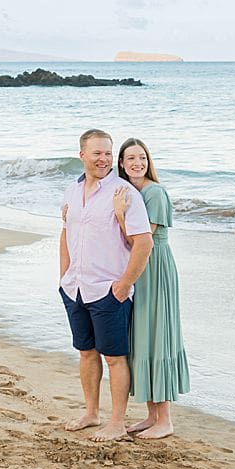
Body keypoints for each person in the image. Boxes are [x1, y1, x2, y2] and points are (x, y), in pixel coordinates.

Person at [59, 128, 154, 442]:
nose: (103, 159)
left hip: (108, 289)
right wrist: (64, 276)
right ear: (82, 155)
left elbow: (144, 243)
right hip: (75, 287)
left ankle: (116, 422)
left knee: (114, 358)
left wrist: (125, 284)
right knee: (86, 352)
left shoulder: (125, 194)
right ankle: (91, 412)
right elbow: (66, 233)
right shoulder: (72, 192)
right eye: (97, 153)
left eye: (107, 153)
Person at [112, 137, 190, 439]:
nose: (137, 163)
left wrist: (120, 214)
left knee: (157, 335)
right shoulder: (130, 191)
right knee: (142, 336)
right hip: (138, 268)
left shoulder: (154, 192)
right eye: (130, 158)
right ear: (121, 163)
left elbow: (139, 239)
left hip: (154, 267)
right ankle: (150, 414)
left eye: (142, 158)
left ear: (149, 161)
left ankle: (165, 419)